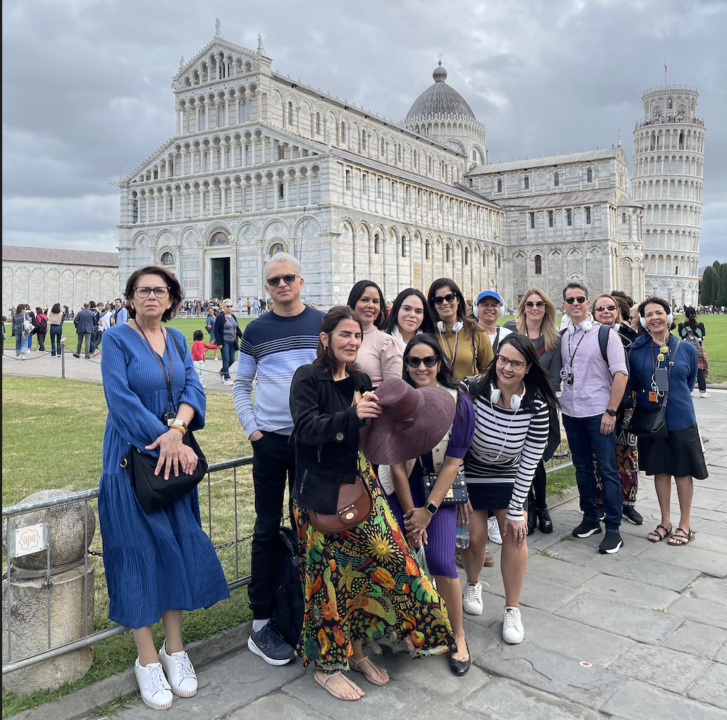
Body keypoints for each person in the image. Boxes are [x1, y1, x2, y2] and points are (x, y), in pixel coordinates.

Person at [290, 307, 456, 700]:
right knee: (328, 580)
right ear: (324, 337)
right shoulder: (308, 378)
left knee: (386, 563)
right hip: (320, 493)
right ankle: (328, 666)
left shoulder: (362, 379)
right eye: (344, 334)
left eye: (356, 336)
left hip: (361, 486)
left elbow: (378, 436)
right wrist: (351, 415)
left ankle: (359, 650)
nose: (351, 342)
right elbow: (304, 429)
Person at [98, 265, 228, 711]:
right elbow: (120, 400)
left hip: (175, 457)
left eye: (160, 290)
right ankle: (147, 659)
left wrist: (179, 429)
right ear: (130, 297)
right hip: (134, 458)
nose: (151, 296)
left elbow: (195, 386)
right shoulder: (115, 339)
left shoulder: (175, 340)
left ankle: (176, 650)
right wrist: (167, 438)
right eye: (142, 290)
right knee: (136, 551)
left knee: (173, 547)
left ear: (173, 298)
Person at [232, 252, 325, 667]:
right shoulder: (255, 329)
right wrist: (254, 429)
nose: (282, 285)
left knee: (312, 524)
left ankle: (308, 605)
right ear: (266, 288)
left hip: (311, 443)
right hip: (270, 441)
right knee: (267, 527)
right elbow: (241, 384)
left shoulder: (321, 324)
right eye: (274, 281)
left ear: (301, 281)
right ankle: (261, 621)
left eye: (288, 278)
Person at [386, 334, 475, 675]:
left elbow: (452, 463)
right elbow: (394, 462)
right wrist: (412, 518)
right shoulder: (398, 400)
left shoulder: (459, 402)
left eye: (429, 361)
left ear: (440, 363)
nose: (422, 367)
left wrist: (428, 513)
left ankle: (458, 635)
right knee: (399, 554)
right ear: (406, 365)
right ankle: (411, 627)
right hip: (404, 488)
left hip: (439, 490)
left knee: (439, 558)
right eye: (414, 361)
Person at [460, 334, 557, 643]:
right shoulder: (472, 391)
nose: (508, 368)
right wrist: (460, 488)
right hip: (470, 470)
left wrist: (517, 511)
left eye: (517, 363)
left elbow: (530, 459)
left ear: (528, 367)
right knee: (473, 537)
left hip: (508, 474)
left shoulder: (537, 406)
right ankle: (473, 583)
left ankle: (512, 608)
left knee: (515, 536)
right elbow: (455, 444)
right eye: (503, 360)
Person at [630, 297, 707, 546]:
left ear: (668, 316)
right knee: (661, 471)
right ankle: (666, 521)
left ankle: (685, 524)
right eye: (649, 314)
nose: (655, 318)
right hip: (652, 419)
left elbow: (689, 379)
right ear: (643, 320)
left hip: (681, 417)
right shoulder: (637, 349)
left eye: (659, 312)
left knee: (683, 472)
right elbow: (634, 383)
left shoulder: (684, 348)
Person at [560, 283, 628, 555]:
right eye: (569, 300)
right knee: (582, 467)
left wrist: (611, 411)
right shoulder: (563, 335)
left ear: (588, 303)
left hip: (598, 412)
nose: (575, 303)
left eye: (580, 299)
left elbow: (620, 374)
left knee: (608, 469)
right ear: (564, 305)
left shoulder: (605, 335)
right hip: (571, 411)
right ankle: (590, 517)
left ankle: (613, 527)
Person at [503, 288, 563, 535]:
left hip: (540, 407)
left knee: (535, 458)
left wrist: (536, 395)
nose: (534, 308)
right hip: (513, 404)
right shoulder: (510, 330)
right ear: (523, 307)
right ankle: (525, 507)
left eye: (539, 304)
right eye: (530, 304)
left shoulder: (554, 339)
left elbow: (556, 378)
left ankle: (542, 506)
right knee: (518, 456)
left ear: (546, 308)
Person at [591, 294, 642, 526]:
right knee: (599, 456)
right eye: (600, 308)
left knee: (627, 454)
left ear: (617, 311)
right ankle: (600, 502)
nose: (606, 312)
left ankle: (627, 503)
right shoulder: (589, 336)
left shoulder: (632, 337)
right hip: (598, 404)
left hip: (627, 405)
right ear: (593, 313)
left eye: (610, 307)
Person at [427, 279, 493, 381]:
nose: (444, 303)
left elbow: (488, 370)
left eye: (449, 298)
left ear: (458, 300)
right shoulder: (428, 332)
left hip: (469, 395)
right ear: (434, 305)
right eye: (438, 300)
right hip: (438, 394)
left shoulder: (476, 331)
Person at [346, 280, 403, 388]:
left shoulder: (387, 343)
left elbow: (393, 391)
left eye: (375, 301)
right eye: (364, 300)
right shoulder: (337, 337)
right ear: (353, 303)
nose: (371, 305)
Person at [679, 307, 709, 398]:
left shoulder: (681, 325)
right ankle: (702, 391)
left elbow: (681, 335)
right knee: (700, 369)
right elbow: (702, 335)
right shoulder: (700, 325)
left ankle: (688, 390)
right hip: (698, 348)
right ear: (695, 315)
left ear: (685, 315)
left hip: (685, 348)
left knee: (688, 369)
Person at [213, 299, 242, 386]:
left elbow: (237, 329)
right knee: (226, 360)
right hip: (224, 341)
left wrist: (243, 338)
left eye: (231, 306)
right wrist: (219, 342)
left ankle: (221, 372)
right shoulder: (221, 317)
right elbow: (216, 330)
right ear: (223, 307)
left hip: (233, 341)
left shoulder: (233, 316)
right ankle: (227, 378)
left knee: (232, 359)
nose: (229, 308)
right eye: (228, 306)